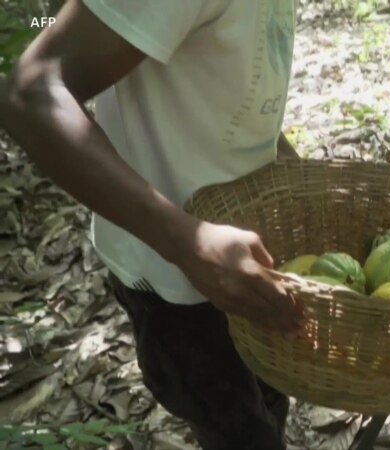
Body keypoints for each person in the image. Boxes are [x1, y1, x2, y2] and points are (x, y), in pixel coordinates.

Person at [0, 1, 304, 449]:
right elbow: (32, 93)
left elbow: (226, 81)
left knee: (266, 405)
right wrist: (190, 243)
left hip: (247, 268)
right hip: (179, 290)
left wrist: (285, 162)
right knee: (236, 428)